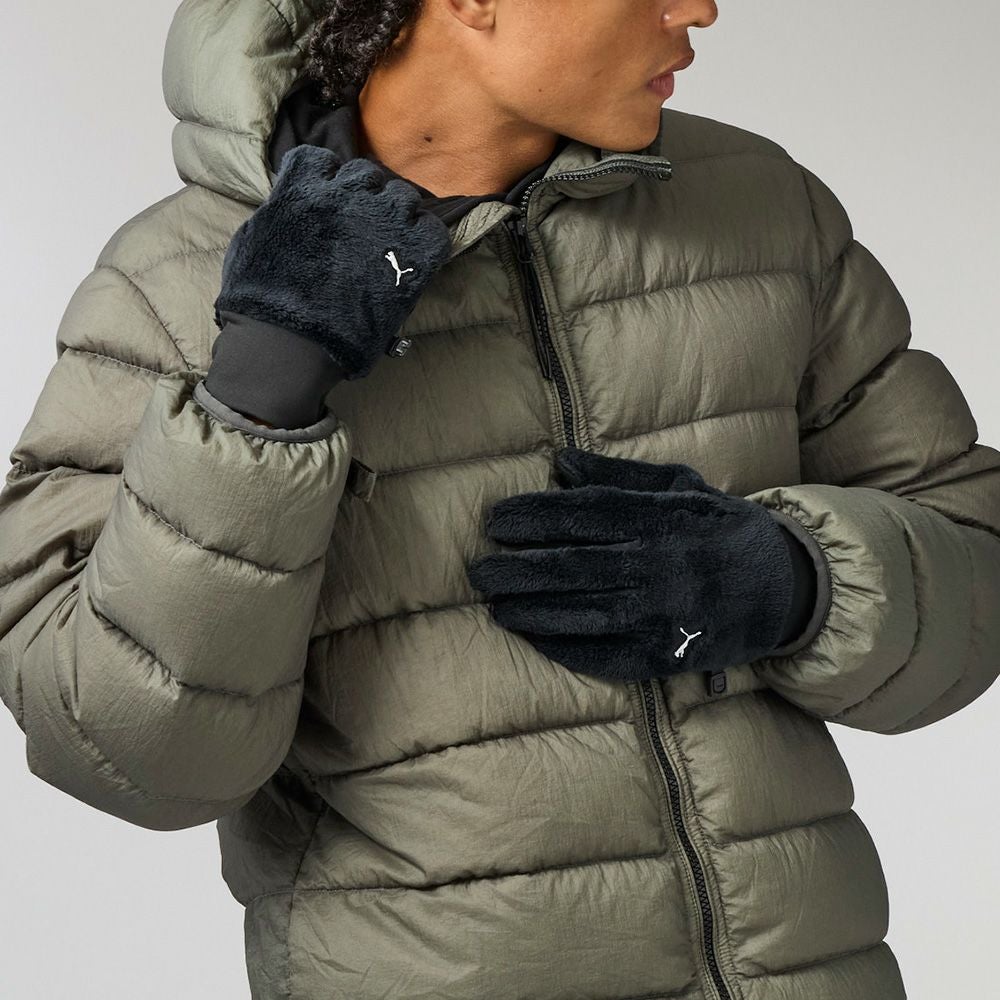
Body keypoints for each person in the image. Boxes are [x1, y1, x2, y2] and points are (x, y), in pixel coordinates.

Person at [1, 0, 997, 997]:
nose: (698, 8)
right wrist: (257, 394)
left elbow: (976, 562)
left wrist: (797, 583)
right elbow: (134, 757)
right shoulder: (170, 287)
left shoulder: (760, 207)